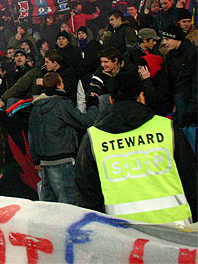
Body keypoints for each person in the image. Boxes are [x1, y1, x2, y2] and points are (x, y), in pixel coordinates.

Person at [75, 73, 196, 224]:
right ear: (141, 97)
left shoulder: (94, 138)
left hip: (125, 232)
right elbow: (191, 178)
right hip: (177, 226)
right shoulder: (167, 128)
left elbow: (87, 195)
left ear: (111, 100)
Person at [29, 72, 98, 204]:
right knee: (67, 204)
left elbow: (32, 135)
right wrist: (93, 105)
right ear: (59, 85)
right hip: (62, 159)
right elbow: (84, 121)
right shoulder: (62, 104)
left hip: (44, 162)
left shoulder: (36, 106)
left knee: (48, 205)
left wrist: (36, 159)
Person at [162, 25, 197, 127]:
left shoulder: (194, 54)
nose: (164, 42)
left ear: (177, 39)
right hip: (179, 99)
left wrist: (193, 106)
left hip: (191, 99)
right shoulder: (169, 56)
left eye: (167, 39)